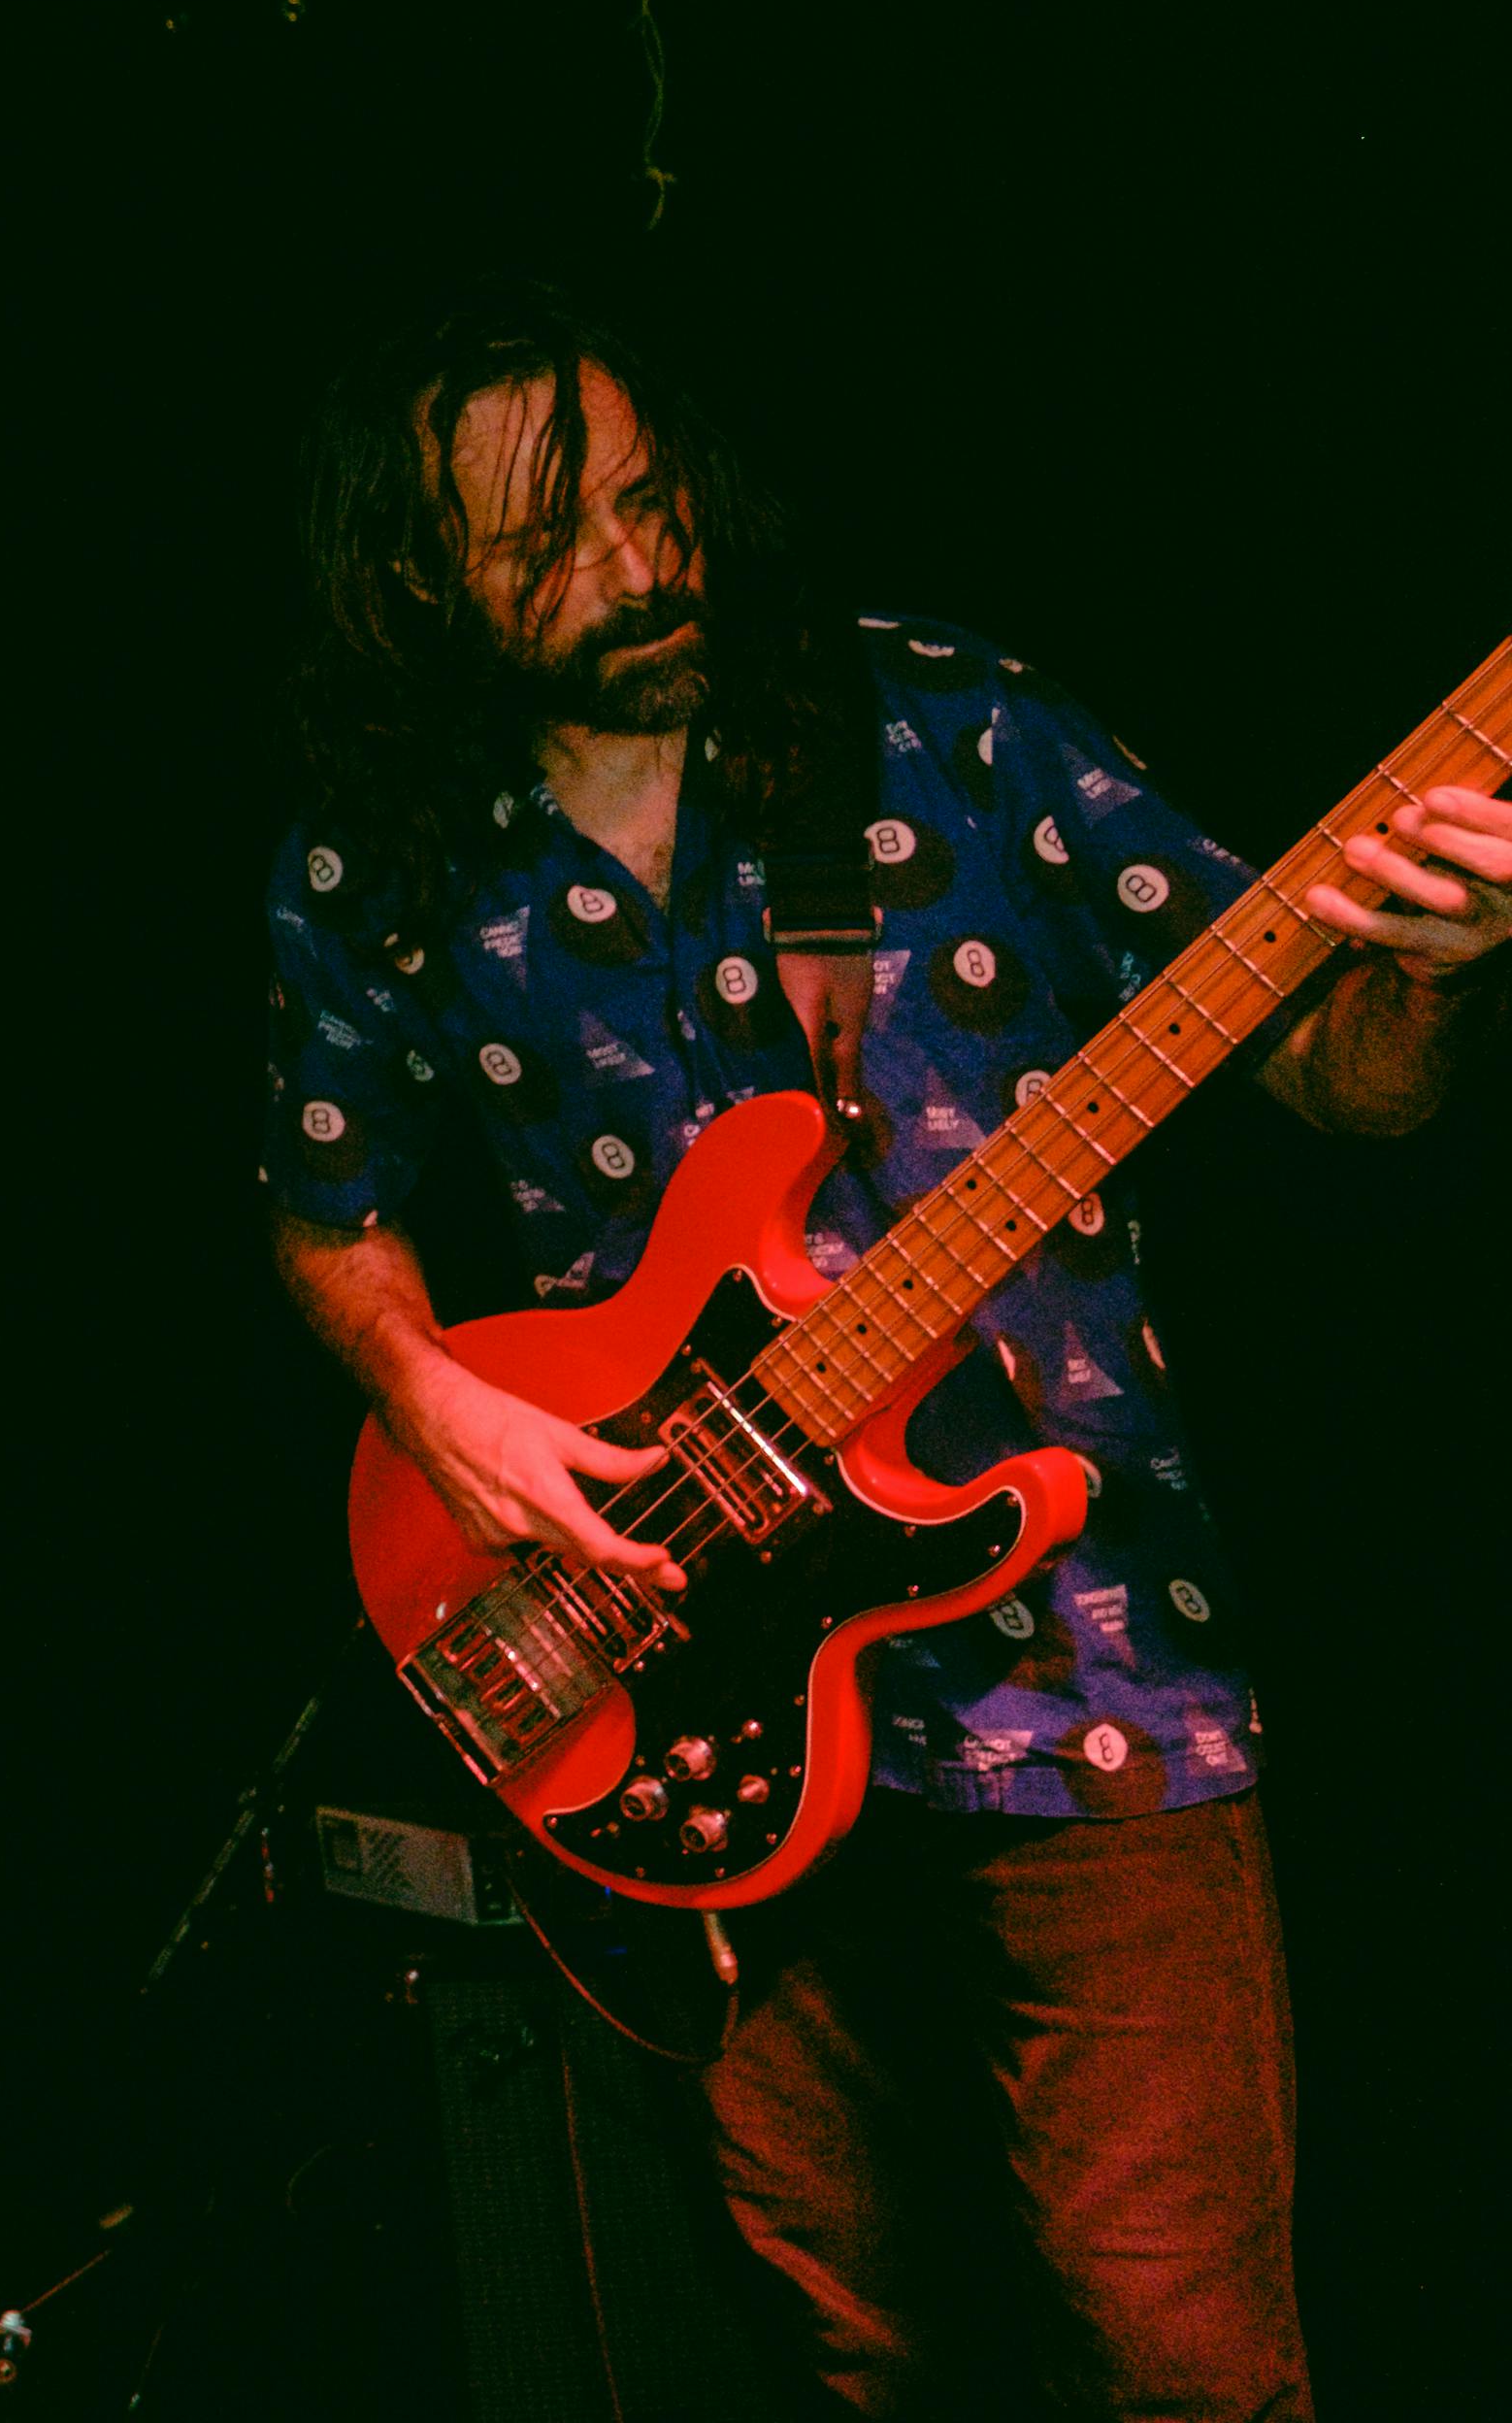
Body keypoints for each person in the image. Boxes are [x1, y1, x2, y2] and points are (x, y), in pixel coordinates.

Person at [258, 296, 1498, 2419]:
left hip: (1082, 1667)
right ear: (413, 578)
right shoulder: (380, 848)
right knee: (858, 2348)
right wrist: (431, 1396)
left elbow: (1330, 1077)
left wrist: (1435, 977)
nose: (642, 569)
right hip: (684, 1693)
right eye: (551, 545)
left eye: (650, 501)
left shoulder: (946, 732)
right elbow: (324, 1206)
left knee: (1179, 2345)